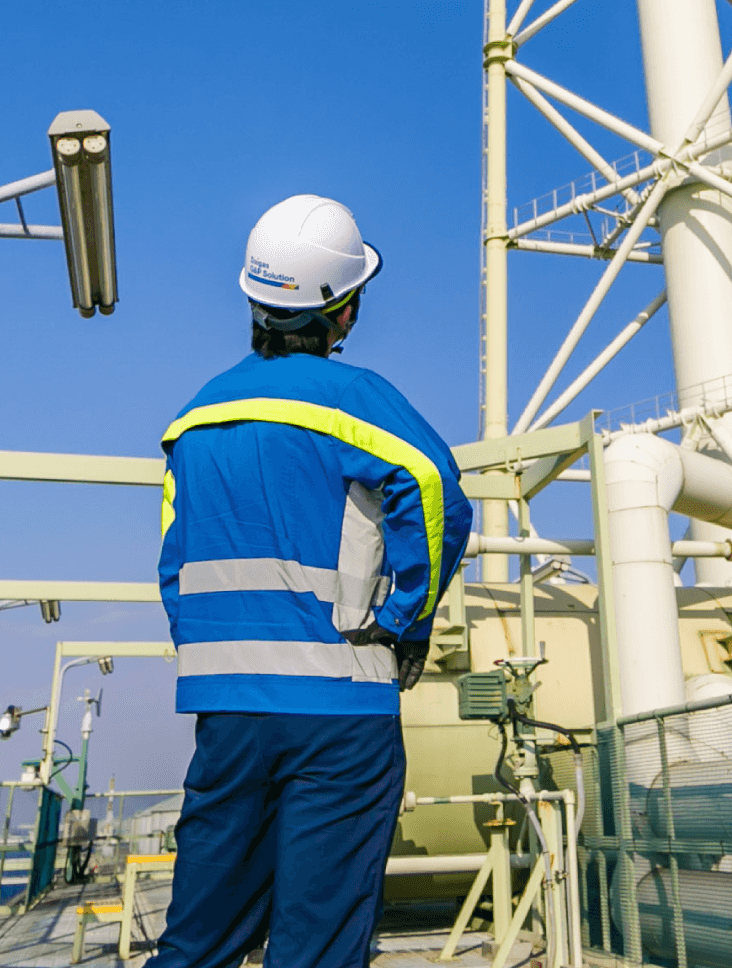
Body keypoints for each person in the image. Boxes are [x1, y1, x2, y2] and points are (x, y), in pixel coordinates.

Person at [148, 194, 474, 968]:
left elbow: (173, 562)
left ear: (253, 299)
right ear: (345, 309)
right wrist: (407, 620)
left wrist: (218, 656)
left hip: (228, 713)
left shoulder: (193, 420)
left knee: (197, 940)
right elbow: (435, 493)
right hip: (340, 708)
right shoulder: (354, 398)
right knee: (317, 944)